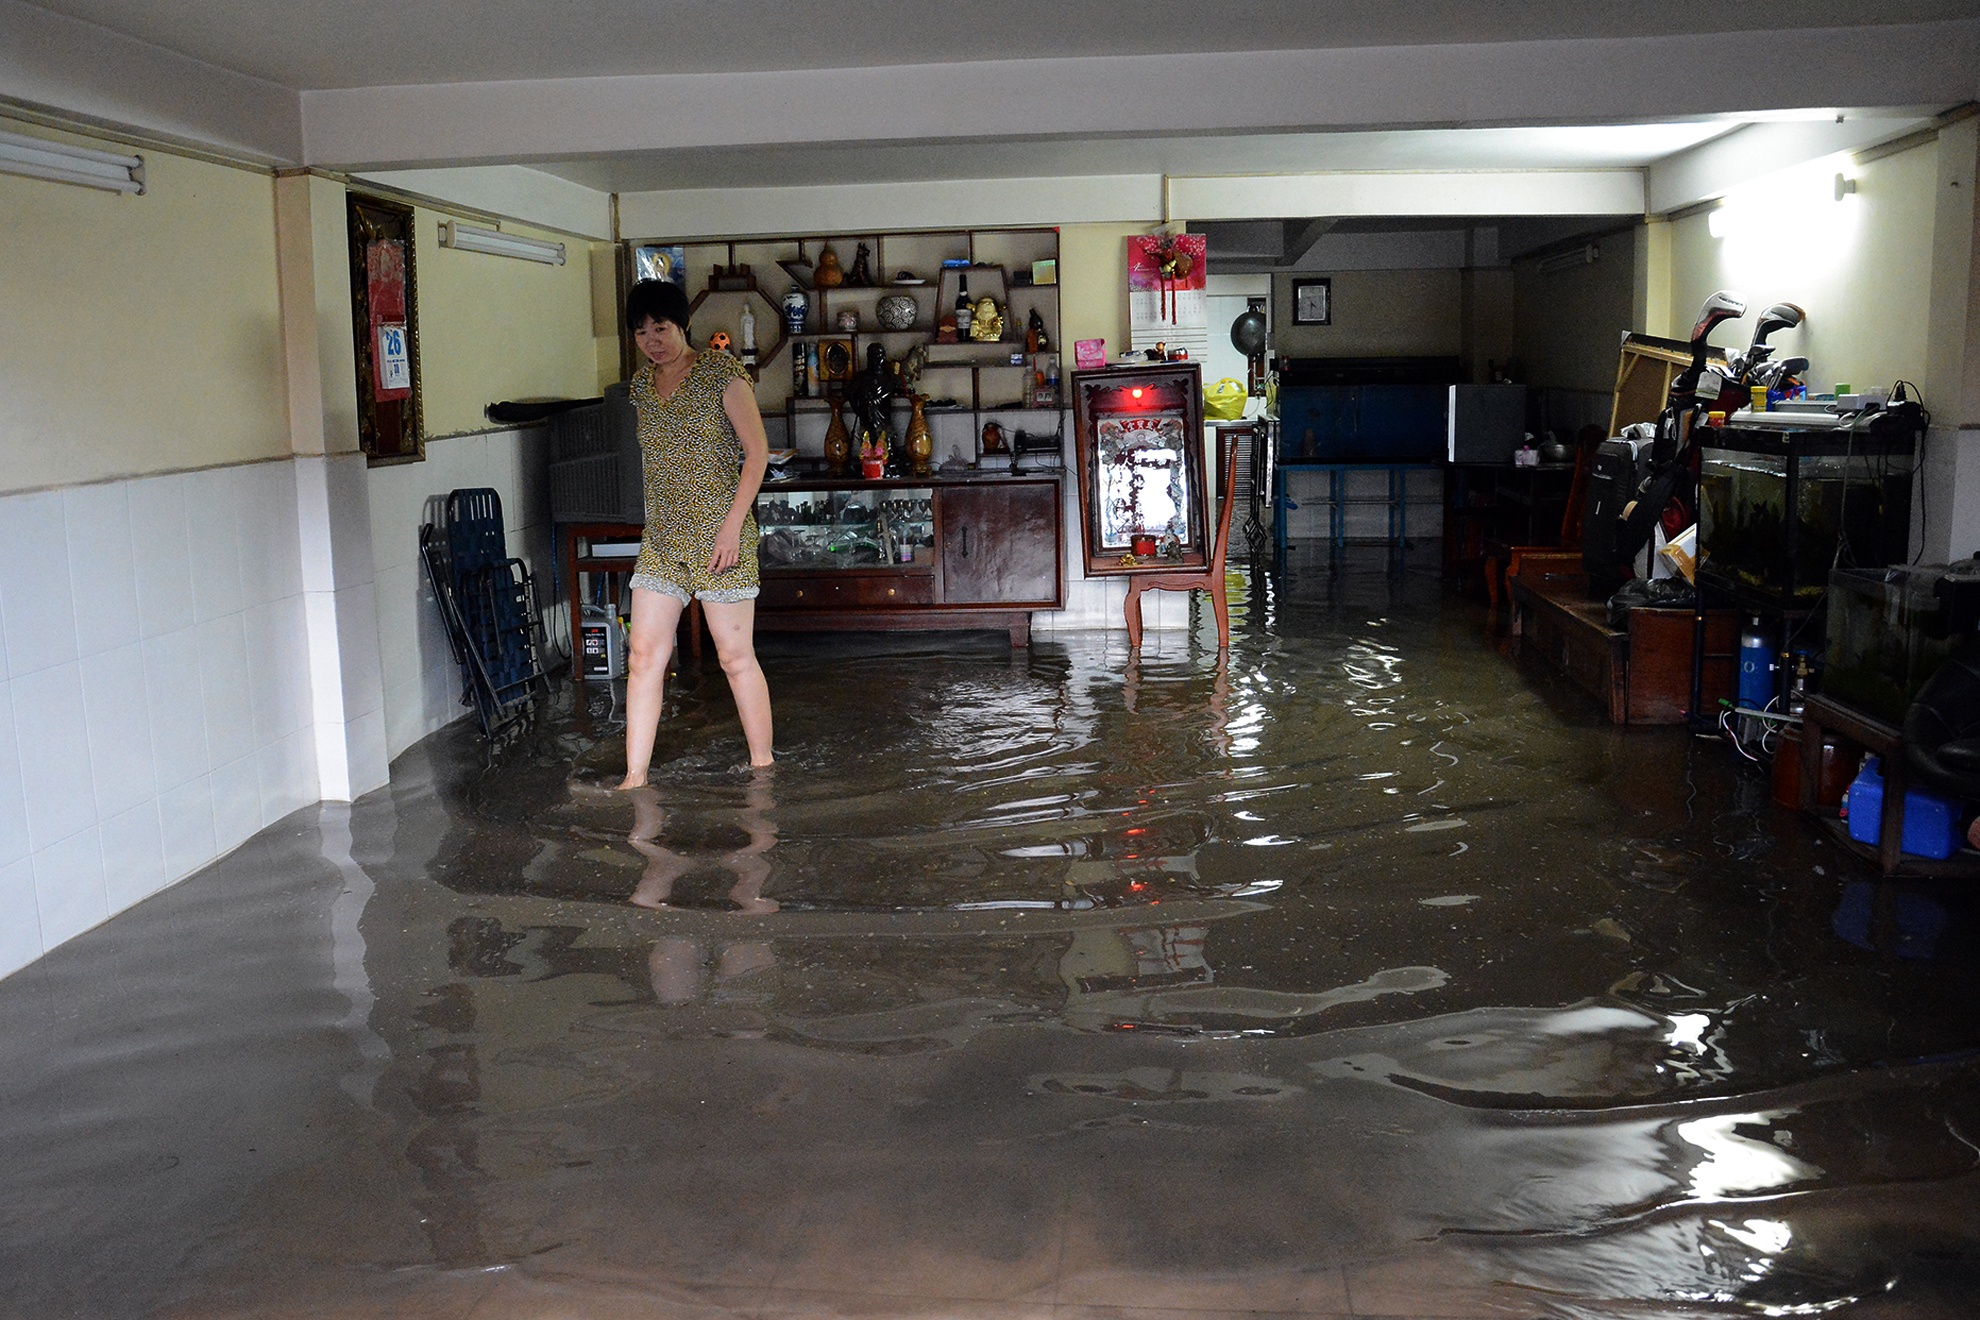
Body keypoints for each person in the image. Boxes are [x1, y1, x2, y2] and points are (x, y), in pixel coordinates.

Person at [617, 279, 774, 784]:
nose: (652, 340)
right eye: (641, 332)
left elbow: (757, 454)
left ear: (682, 324)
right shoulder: (641, 387)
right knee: (643, 656)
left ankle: (763, 766)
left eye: (660, 327)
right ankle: (635, 776)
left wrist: (731, 531)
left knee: (733, 658)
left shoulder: (720, 371)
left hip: (718, 540)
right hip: (663, 541)